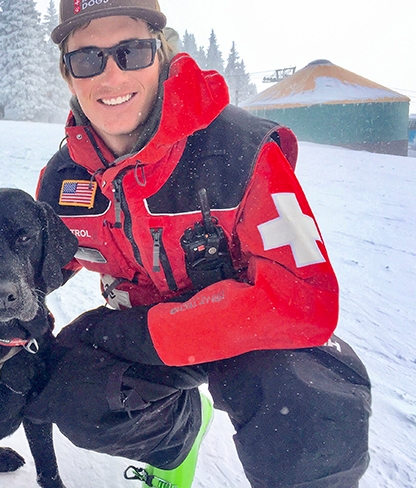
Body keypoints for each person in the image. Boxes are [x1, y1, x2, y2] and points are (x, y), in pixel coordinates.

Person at [27, 1, 371, 487]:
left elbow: (306, 301)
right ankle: (175, 442)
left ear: (162, 54)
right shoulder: (64, 178)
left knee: (309, 403)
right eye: (88, 59)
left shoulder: (241, 150)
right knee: (65, 386)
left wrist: (159, 334)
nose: (110, 77)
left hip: (243, 336)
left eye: (131, 52)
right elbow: (30, 273)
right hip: (144, 333)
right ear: (68, 74)